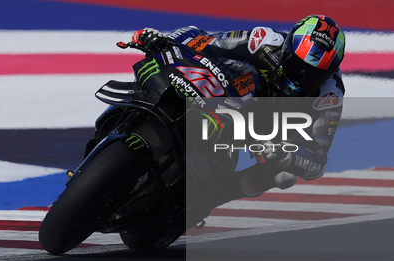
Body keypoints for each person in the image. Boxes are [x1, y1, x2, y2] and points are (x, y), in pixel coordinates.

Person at [131, 15, 346, 204]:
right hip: (224, 95)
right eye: (296, 65)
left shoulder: (330, 95)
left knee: (284, 177)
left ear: (330, 73)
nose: (300, 76)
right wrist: (161, 41)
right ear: (288, 48)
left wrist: (285, 154)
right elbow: (205, 42)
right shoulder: (264, 41)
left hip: (266, 132)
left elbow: (318, 160)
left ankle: (209, 201)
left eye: (312, 74)